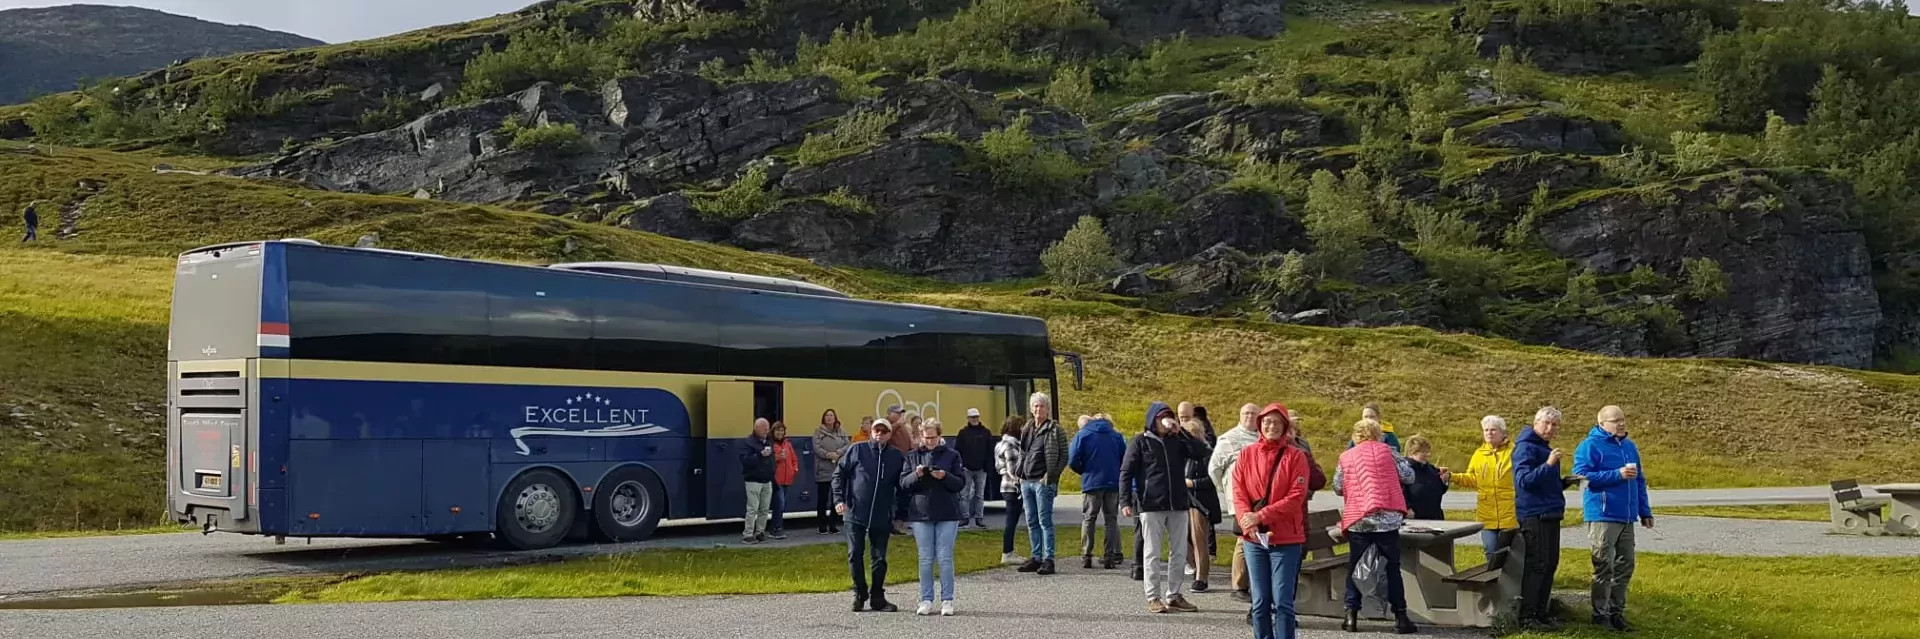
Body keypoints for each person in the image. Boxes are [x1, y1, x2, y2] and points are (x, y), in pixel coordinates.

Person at [1120, 401, 1213, 613]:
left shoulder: (1177, 441)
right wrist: (1125, 501)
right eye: (1162, 417)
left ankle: (1174, 595)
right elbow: (1126, 472)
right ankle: (1153, 596)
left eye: (1169, 417)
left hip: (1178, 503)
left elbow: (1201, 452)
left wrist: (1182, 433)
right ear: (1153, 420)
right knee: (1152, 552)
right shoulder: (1140, 442)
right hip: (1151, 505)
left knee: (1179, 552)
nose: (1166, 421)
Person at [1234, 403, 1313, 639]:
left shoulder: (1296, 456)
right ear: (1260, 424)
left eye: (1277, 422)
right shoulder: (1247, 454)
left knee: (1283, 603)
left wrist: (1260, 516)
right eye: (1267, 421)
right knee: (1259, 603)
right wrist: (1247, 520)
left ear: (1285, 426)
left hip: (1286, 539)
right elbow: (1238, 492)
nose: (1272, 426)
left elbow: (1296, 497)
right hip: (1254, 539)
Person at [1332, 418, 1417, 634]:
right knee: (1392, 568)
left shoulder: (1346, 456)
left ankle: (1351, 615)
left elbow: (1338, 486)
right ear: (1379, 434)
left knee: (1356, 566)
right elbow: (1409, 476)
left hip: (1358, 520)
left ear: (1356, 436)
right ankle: (1401, 616)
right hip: (1387, 520)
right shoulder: (1389, 452)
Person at [1573, 405, 1652, 632]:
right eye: (1616, 420)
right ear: (1602, 424)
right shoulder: (1589, 445)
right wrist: (1617, 474)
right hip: (1603, 514)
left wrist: (1645, 511)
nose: (1621, 424)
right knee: (1603, 565)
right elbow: (1582, 476)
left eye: (1623, 419)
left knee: (1625, 564)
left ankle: (1617, 612)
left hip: (1626, 516)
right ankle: (1600, 615)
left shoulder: (1629, 446)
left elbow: (1639, 481)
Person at [1514, 406, 1579, 631]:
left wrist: (1565, 482)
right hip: (1534, 515)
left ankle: (1542, 613)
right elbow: (1524, 482)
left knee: (1550, 564)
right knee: (1537, 565)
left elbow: (1544, 484)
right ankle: (1527, 617)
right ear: (1536, 423)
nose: (1550, 429)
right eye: (1546, 423)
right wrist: (1548, 464)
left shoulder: (1545, 448)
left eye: (1555, 425)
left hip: (1551, 512)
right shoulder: (1525, 448)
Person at [834, 419, 909, 613]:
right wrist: (839, 499)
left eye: (884, 431)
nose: (879, 434)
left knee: (879, 558)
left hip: (881, 515)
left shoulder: (896, 456)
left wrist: (901, 515)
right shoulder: (857, 449)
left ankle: (878, 597)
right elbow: (839, 474)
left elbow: (902, 488)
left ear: (889, 435)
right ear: (871, 431)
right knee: (854, 555)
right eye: (877, 430)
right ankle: (859, 593)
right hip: (854, 512)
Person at [902, 419, 967, 616]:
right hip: (921, 513)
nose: (929, 441)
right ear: (920, 436)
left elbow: (960, 483)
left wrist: (944, 476)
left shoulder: (952, 455)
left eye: (932, 437)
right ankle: (926, 599)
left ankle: (947, 600)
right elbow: (903, 484)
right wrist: (917, 475)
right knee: (925, 558)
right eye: (926, 437)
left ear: (940, 436)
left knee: (945, 557)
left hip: (947, 512)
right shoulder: (912, 456)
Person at [1209, 403, 1264, 603]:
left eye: (1254, 413)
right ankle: (1239, 585)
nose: (1249, 416)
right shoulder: (1229, 439)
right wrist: (1226, 490)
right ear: (1240, 416)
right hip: (1240, 499)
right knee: (1244, 538)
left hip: (1260, 499)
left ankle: (1254, 583)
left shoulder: (1263, 437)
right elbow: (1214, 468)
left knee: (1255, 538)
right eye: (1246, 413)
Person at [1449, 416, 1518, 556]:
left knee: (1510, 554)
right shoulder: (1479, 454)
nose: (1489, 433)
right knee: (1490, 550)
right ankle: (1493, 572)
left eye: (1493, 430)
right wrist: (1452, 477)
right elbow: (1472, 479)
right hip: (1487, 515)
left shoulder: (1515, 451)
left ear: (1503, 432)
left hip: (1511, 514)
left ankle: (1508, 572)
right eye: (1486, 430)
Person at [1016, 392, 1068, 575]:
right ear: (1031, 409)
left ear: (1048, 409)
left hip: (1042, 481)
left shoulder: (1055, 430)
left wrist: (1050, 475)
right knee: (1031, 520)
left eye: (1042, 406)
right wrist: (1019, 473)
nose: (1039, 409)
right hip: (1026, 480)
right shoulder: (1027, 428)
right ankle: (1036, 556)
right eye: (1036, 406)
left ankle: (1048, 559)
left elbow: (1064, 456)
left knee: (1044, 520)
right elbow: (1022, 452)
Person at [1068, 411, 1126, 569]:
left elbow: (1072, 459)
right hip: (1113, 481)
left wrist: (1084, 470)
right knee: (1111, 519)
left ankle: (1087, 555)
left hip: (1092, 481)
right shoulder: (1116, 436)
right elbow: (1124, 458)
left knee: (1089, 518)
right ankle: (1109, 556)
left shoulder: (1083, 434)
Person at [1183, 415, 1222, 592]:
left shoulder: (1207, 454)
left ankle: (1201, 577)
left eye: (1192, 433)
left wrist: (1192, 483)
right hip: (1183, 500)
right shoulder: (1181, 454)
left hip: (1200, 501)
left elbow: (1213, 479)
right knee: (1181, 538)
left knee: (1199, 539)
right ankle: (1193, 566)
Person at [955, 408, 996, 530]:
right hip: (966, 469)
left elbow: (990, 451)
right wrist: (961, 466)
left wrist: (987, 467)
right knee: (964, 495)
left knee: (979, 495)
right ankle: (965, 518)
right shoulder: (963, 433)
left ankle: (979, 519)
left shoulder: (986, 432)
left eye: (976, 417)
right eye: (972, 417)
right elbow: (958, 451)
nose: (975, 419)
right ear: (968, 418)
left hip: (981, 469)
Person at [994, 415, 1027, 565]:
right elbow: (1013, 470)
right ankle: (1007, 552)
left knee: (1011, 520)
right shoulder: (1011, 445)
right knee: (1011, 521)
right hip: (1013, 487)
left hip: (1005, 485)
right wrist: (1021, 480)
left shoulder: (1000, 444)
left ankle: (1009, 551)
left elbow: (999, 467)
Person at [814, 410, 853, 535]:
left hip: (837, 469)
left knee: (836, 498)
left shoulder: (841, 431)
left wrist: (838, 453)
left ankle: (833, 524)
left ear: (835, 418)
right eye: (827, 415)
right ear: (823, 418)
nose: (829, 417)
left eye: (831, 415)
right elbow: (816, 448)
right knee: (822, 500)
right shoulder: (818, 431)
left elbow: (848, 445)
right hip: (823, 470)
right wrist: (828, 455)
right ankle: (822, 525)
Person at [740, 418, 777, 544]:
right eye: (764, 429)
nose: (767, 431)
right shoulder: (748, 442)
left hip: (767, 480)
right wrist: (760, 455)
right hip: (753, 480)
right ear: (756, 428)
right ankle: (748, 534)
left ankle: (760, 532)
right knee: (752, 509)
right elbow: (745, 460)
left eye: (768, 429)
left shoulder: (769, 441)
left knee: (765, 509)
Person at [1401, 434, 1448, 520]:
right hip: (1414, 519)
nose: (1428, 454)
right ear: (1411, 452)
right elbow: (1399, 492)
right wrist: (1407, 508)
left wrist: (1444, 481)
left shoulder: (1431, 469)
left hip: (1436, 518)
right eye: (1423, 452)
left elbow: (1440, 490)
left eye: (1428, 451)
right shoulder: (1404, 471)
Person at [766, 421, 799, 539]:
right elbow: (767, 460)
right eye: (777, 430)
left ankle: (776, 528)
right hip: (776, 479)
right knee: (779, 503)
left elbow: (794, 458)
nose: (780, 432)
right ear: (773, 431)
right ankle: (777, 528)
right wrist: (778, 457)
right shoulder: (770, 444)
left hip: (787, 479)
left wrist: (794, 470)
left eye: (782, 430)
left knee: (781, 504)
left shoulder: (787, 444)